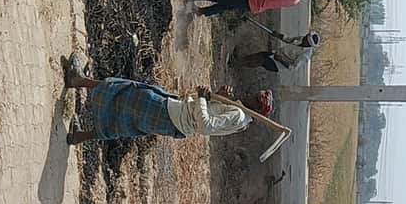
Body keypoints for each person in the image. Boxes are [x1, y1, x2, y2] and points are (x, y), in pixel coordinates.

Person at [62, 54, 274, 145]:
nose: (250, 95)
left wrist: (202, 99)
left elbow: (206, 126)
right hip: (175, 115)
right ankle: (79, 136)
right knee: (126, 124)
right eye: (255, 94)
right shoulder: (238, 111)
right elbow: (212, 115)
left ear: (257, 109)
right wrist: (218, 95)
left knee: (127, 91)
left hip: (173, 115)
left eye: (255, 99)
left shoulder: (238, 115)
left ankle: (77, 80)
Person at [231, 31, 321, 74]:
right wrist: (279, 35)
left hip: (278, 64)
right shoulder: (303, 39)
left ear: (308, 44)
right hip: (276, 53)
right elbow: (290, 40)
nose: (303, 38)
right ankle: (239, 60)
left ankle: (235, 63)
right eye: (305, 37)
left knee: (260, 60)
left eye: (305, 40)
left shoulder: (305, 56)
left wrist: (280, 60)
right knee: (259, 55)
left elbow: (293, 68)